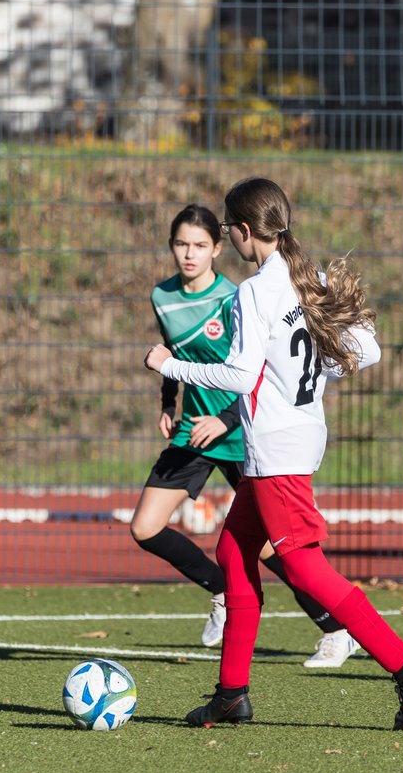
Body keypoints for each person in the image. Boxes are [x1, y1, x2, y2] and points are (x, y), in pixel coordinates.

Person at [145, 178, 403, 730]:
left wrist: (170, 366)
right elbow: (366, 349)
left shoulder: (256, 291)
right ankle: (231, 694)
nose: (229, 236)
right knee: (234, 556)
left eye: (228, 228)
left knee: (305, 569)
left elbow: (238, 374)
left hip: (278, 449)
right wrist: (311, 369)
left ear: (242, 231)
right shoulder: (310, 277)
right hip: (286, 443)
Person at [132, 204, 359, 668]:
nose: (188, 254)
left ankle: (335, 627)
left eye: (199, 245)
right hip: (192, 433)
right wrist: (166, 403)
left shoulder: (240, 296)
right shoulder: (163, 297)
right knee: (144, 527)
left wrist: (227, 420)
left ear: (219, 247)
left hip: (241, 431)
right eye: (180, 244)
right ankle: (220, 591)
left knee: (277, 547)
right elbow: (172, 353)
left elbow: (251, 374)